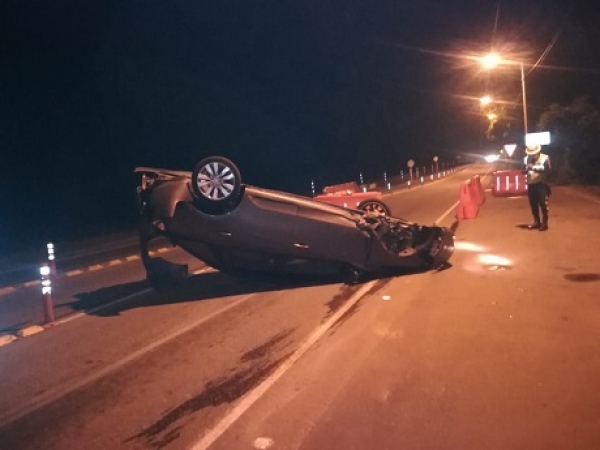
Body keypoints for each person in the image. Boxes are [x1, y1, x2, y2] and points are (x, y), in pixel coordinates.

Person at [523, 145, 551, 231]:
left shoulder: (545, 158)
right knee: (533, 204)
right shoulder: (525, 159)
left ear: (538, 152)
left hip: (541, 184)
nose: (531, 155)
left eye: (533, 154)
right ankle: (536, 222)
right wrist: (525, 170)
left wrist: (534, 168)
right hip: (531, 184)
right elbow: (523, 169)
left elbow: (548, 169)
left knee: (543, 203)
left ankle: (545, 223)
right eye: (530, 154)